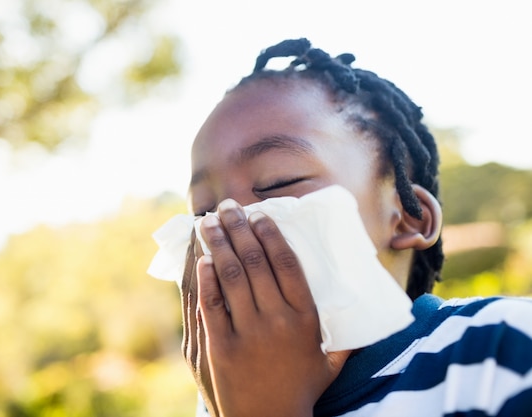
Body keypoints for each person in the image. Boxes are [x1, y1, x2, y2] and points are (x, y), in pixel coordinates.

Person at [177, 38, 532, 417]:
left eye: (278, 182)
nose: (225, 219)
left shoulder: (502, 346)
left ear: (407, 217)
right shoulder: (219, 398)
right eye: (201, 211)